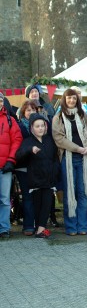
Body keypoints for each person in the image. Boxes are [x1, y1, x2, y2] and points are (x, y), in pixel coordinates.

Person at [52, 89, 87, 236]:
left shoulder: (83, 116)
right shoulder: (58, 117)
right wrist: (78, 148)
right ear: (64, 99)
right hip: (68, 158)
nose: (71, 101)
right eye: (69, 98)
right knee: (70, 193)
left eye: (74, 99)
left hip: (83, 159)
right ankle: (71, 226)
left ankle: (83, 225)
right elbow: (59, 139)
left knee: (82, 193)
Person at [16, 113, 59, 238]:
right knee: (37, 205)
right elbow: (18, 155)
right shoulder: (28, 141)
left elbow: (55, 158)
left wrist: (55, 171)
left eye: (42, 126)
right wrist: (30, 149)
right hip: (35, 180)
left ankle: (41, 229)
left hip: (48, 178)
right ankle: (38, 227)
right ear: (32, 128)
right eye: (37, 126)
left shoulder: (49, 140)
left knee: (47, 203)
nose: (40, 128)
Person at [0, 92, 22, 238]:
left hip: (5, 166)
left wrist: (10, 160)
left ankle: (4, 228)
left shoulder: (9, 120)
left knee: (4, 199)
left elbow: (17, 140)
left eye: (0, 100)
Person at [15, 100, 38, 235]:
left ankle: (39, 223)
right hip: (23, 166)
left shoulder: (41, 125)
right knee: (27, 196)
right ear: (23, 112)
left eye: (33, 110)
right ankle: (28, 225)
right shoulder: (19, 126)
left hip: (37, 166)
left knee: (37, 196)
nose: (30, 112)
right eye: (28, 110)